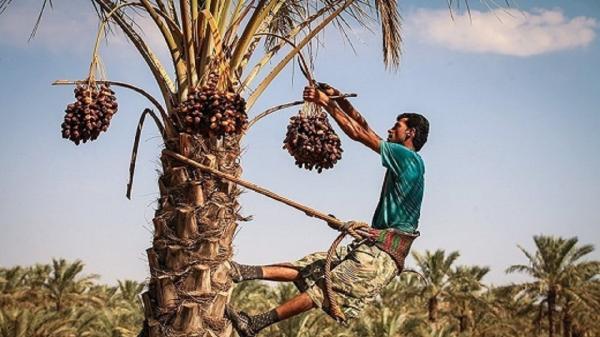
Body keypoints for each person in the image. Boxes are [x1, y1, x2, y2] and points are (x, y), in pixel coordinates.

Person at [225, 84, 430, 337]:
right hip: (373, 245)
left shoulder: (407, 157)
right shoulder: (403, 157)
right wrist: (338, 98)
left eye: (396, 126)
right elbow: (364, 127)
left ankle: (255, 324)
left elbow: (357, 133)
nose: (390, 129)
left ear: (410, 133)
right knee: (310, 266)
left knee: (323, 290)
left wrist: (325, 103)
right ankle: (238, 272)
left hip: (382, 255)